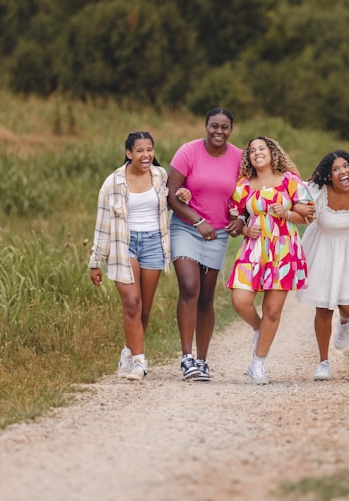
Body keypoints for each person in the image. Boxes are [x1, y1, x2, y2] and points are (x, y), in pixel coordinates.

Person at [166, 107, 245, 382]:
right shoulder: (188, 152)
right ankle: (187, 358)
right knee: (189, 286)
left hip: (218, 233)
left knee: (206, 297)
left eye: (225, 127)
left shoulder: (239, 158)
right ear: (205, 126)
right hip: (186, 227)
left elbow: (248, 196)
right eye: (214, 126)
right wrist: (198, 220)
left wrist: (241, 219)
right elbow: (171, 196)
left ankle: (202, 360)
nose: (219, 132)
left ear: (231, 130)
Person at [227, 136, 312, 384]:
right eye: (252, 150)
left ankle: (258, 364)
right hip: (253, 248)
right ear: (249, 158)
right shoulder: (243, 185)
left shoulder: (290, 181)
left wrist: (286, 212)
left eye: (261, 148)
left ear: (272, 152)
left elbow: (308, 214)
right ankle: (258, 328)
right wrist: (244, 230)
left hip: (283, 249)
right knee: (240, 300)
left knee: (272, 310)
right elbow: (234, 215)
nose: (257, 153)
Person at [89, 131, 171, 382]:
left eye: (150, 149)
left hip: (154, 243)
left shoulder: (160, 175)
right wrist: (95, 260)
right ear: (129, 153)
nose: (146, 155)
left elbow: (168, 207)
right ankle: (139, 362)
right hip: (124, 244)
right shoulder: (113, 182)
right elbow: (103, 224)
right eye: (140, 151)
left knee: (144, 308)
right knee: (132, 303)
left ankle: (129, 350)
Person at [296, 150, 349, 381]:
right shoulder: (317, 191)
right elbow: (294, 201)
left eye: (346, 166)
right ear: (328, 176)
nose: (343, 172)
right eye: (335, 169)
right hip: (322, 250)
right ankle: (323, 362)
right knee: (323, 308)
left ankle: (345, 322)